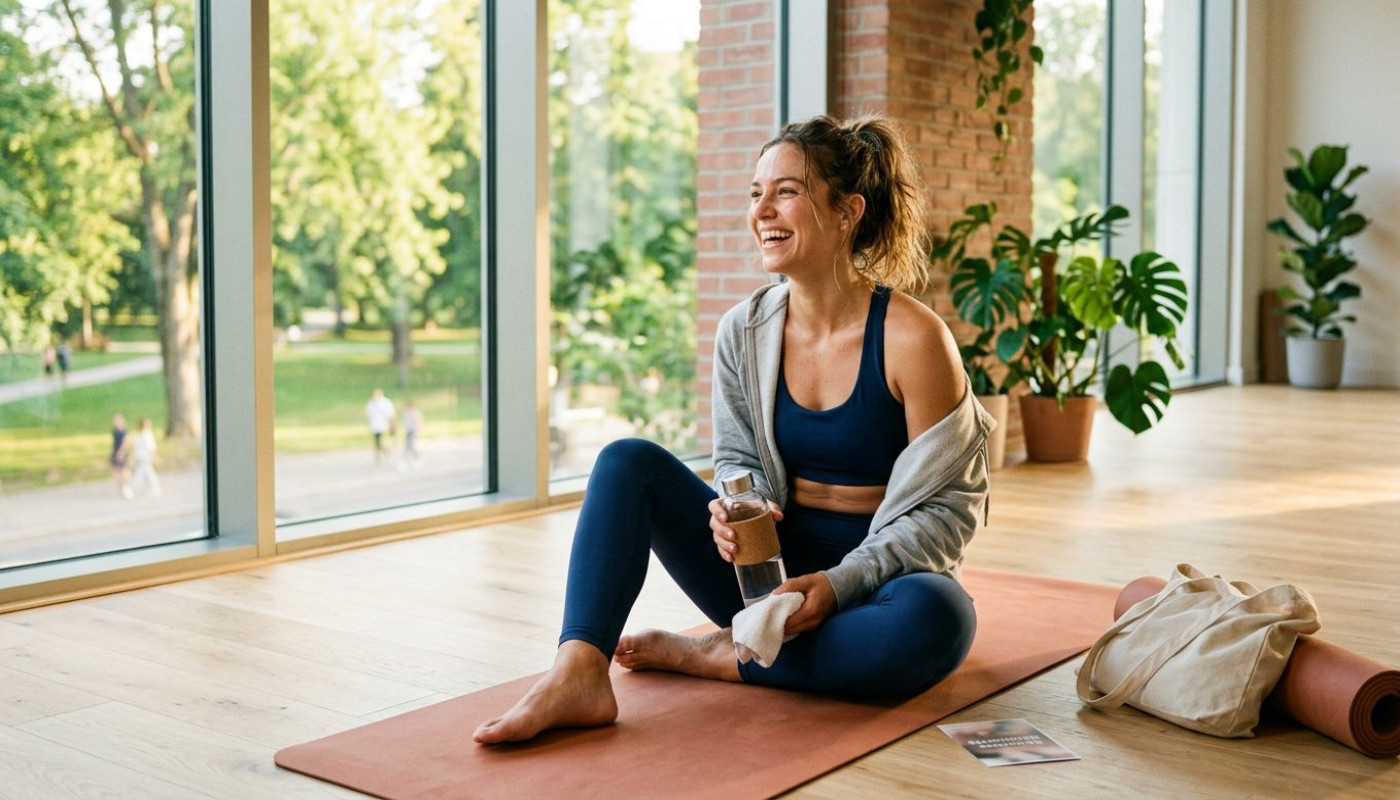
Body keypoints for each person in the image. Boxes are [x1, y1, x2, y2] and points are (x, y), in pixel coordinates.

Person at [474, 115, 994, 745]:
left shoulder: (914, 338)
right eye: (755, 193)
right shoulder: (742, 331)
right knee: (626, 462)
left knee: (938, 618)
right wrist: (734, 509)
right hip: (764, 587)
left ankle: (716, 655)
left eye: (786, 191)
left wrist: (838, 586)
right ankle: (579, 671)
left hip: (876, 585)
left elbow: (947, 511)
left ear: (847, 212)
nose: (762, 210)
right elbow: (738, 463)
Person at [128, 418, 162, 497]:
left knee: (149, 473)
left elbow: (136, 448)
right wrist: (155, 455)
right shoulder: (147, 434)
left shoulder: (138, 435)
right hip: (145, 457)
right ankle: (131, 488)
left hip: (140, 457)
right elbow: (150, 447)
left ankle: (155, 487)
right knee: (141, 474)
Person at [365, 388, 396, 463]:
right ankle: (380, 452)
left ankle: (381, 451)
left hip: (384, 424)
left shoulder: (386, 403)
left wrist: (392, 424)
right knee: (377, 440)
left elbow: (390, 414)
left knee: (381, 440)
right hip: (375, 425)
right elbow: (369, 414)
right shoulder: (371, 403)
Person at [110, 413, 133, 499]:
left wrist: (121, 452)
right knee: (116, 471)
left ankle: (129, 485)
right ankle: (120, 487)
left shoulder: (123, 431)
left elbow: (126, 442)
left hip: (121, 453)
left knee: (124, 470)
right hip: (115, 453)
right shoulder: (115, 431)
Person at [400, 400, 423, 470]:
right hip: (408, 431)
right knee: (407, 447)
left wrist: (419, 430)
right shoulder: (406, 413)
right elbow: (404, 422)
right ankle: (406, 460)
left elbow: (418, 421)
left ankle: (416, 458)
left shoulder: (414, 413)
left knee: (411, 446)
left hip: (413, 431)